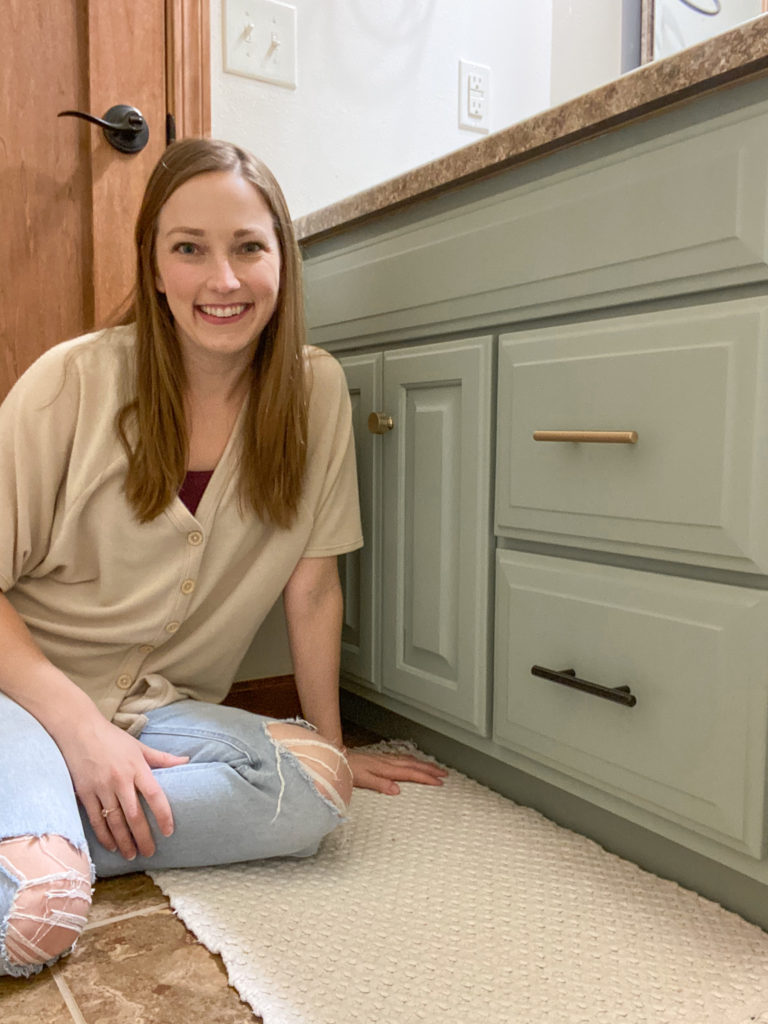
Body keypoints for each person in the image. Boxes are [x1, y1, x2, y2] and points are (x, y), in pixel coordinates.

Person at [0, 138, 447, 978]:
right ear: (156, 265)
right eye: (189, 249)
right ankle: (42, 849)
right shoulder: (73, 383)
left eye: (248, 246)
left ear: (283, 258)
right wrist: (79, 732)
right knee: (40, 916)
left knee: (315, 787)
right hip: (19, 692)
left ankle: (43, 823)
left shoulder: (314, 394)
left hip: (156, 709)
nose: (224, 280)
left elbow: (313, 589)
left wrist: (335, 740)